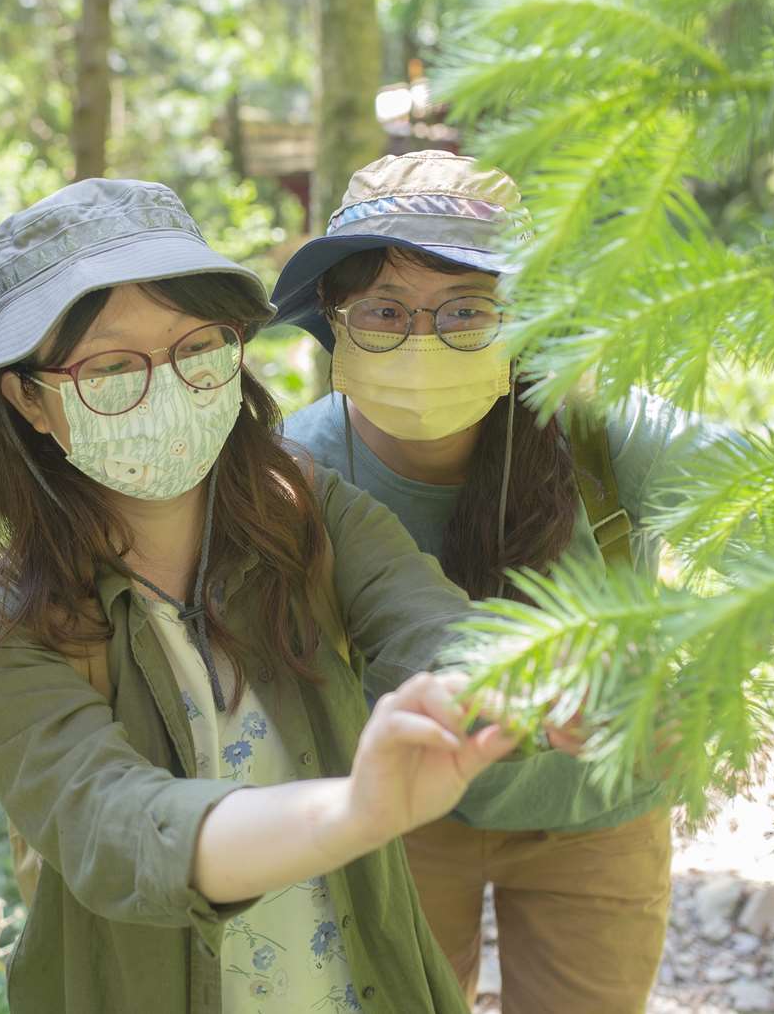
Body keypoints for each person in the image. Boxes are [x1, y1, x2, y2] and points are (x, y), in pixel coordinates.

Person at [0, 177, 519, 1014]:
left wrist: (515, 682)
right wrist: (350, 812)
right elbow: (115, 826)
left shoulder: (308, 514)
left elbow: (428, 623)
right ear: (28, 398)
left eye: (198, 347)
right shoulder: (11, 632)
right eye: (111, 367)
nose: (168, 387)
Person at [272, 150, 735, 1014]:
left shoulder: (599, 429)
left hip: (597, 802)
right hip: (399, 813)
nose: (422, 339)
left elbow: (769, 486)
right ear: (333, 320)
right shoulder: (298, 470)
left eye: (464, 310)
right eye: (384, 309)